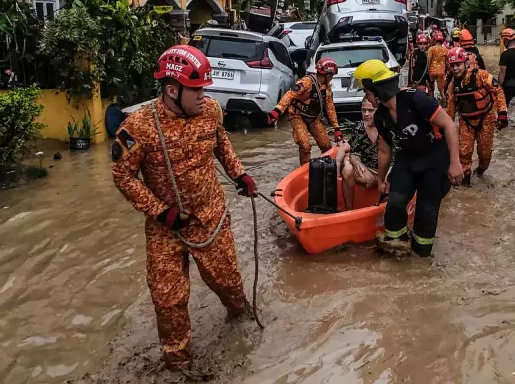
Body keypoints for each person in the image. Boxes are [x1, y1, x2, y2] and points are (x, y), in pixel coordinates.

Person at [112, 45, 258, 377]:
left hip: (210, 217)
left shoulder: (211, 111)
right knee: (168, 300)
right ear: (172, 90)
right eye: (197, 90)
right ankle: (179, 366)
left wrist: (239, 174)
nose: (204, 96)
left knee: (229, 284)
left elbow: (221, 143)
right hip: (166, 227)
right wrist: (160, 211)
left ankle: (242, 321)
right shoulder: (139, 128)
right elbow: (122, 175)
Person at [351, 59, 463, 258]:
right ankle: (396, 248)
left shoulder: (417, 100)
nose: (366, 97)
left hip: (434, 159)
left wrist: (455, 162)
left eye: (367, 92)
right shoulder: (381, 117)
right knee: (394, 202)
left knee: (426, 211)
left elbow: (449, 126)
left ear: (378, 90)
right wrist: (380, 180)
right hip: (407, 158)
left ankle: (421, 255)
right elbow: (385, 150)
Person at [445, 47, 508, 186]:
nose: (455, 69)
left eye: (458, 65)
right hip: (466, 121)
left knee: (485, 153)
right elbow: (450, 111)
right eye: (452, 66)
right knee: (464, 152)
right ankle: (466, 179)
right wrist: (445, 130)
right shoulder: (452, 86)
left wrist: (502, 112)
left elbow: (498, 90)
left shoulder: (481, 75)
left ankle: (480, 171)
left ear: (466, 63)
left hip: (486, 118)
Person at [268, 57, 343, 165]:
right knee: (305, 145)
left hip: (313, 118)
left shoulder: (327, 88)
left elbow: (330, 108)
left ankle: (326, 166)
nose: (332, 78)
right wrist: (277, 111)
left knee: (326, 145)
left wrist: (337, 128)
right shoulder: (306, 82)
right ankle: (304, 168)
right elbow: (290, 95)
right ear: (327, 75)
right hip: (297, 116)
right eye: (331, 75)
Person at [335, 97, 382, 210]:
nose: (366, 114)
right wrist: (357, 162)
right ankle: (349, 209)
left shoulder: (387, 127)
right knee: (347, 170)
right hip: (366, 168)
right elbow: (355, 152)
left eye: (370, 111)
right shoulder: (358, 128)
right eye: (363, 110)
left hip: (384, 169)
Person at [427, 28, 449, 105]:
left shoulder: (431, 49)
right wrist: (446, 71)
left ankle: (431, 103)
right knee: (441, 89)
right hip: (441, 71)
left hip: (432, 71)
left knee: (431, 88)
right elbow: (447, 62)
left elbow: (428, 61)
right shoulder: (445, 50)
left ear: (435, 40)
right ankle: (444, 102)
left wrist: (428, 72)